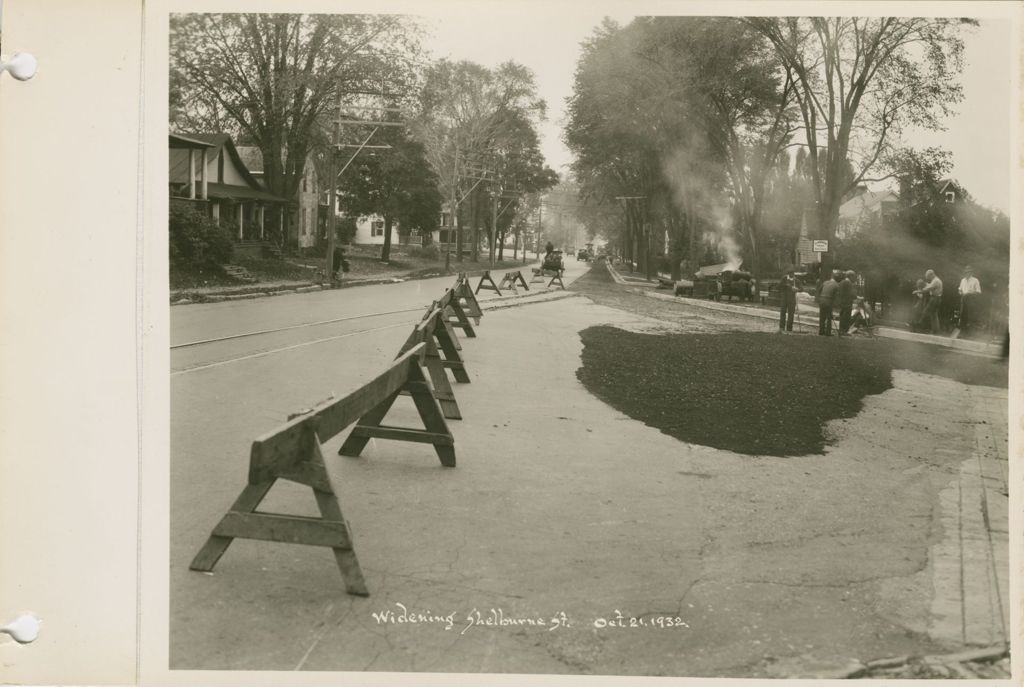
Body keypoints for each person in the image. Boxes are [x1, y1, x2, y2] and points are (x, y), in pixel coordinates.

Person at [957, 265, 982, 338]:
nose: (967, 273)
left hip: (971, 300)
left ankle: (969, 334)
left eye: (969, 272)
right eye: (966, 272)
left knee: (969, 317)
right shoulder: (962, 280)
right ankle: (962, 333)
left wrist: (969, 293)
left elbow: (978, 291)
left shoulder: (975, 280)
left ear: (971, 272)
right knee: (962, 316)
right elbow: (960, 289)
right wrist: (960, 292)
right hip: (963, 299)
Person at [918, 269, 943, 334]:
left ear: (931, 274)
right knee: (933, 315)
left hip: (935, 298)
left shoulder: (936, 281)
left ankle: (920, 327)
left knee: (926, 312)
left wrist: (918, 291)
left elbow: (928, 288)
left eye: (928, 277)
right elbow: (929, 286)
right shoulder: (935, 280)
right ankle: (936, 330)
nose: (928, 278)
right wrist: (925, 285)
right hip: (937, 298)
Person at [817, 271, 840, 336]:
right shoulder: (836, 285)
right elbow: (836, 296)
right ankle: (828, 332)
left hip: (822, 300)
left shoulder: (825, 282)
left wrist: (819, 298)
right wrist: (835, 304)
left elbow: (819, 290)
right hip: (828, 301)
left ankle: (821, 331)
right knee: (829, 317)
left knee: (822, 316)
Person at [836, 270, 856, 336]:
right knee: (846, 317)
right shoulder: (849, 283)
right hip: (847, 302)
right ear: (850, 276)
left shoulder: (841, 282)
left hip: (842, 302)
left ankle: (841, 330)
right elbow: (852, 294)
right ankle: (844, 331)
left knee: (842, 316)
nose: (854, 278)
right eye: (853, 276)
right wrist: (856, 297)